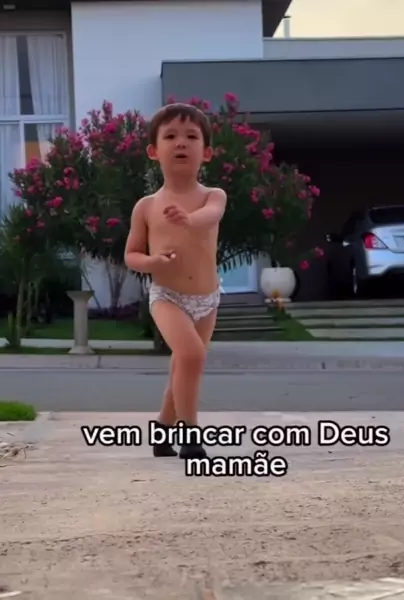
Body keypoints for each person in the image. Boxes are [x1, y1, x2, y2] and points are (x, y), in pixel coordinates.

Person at [124, 103, 227, 460]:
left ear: (207, 153)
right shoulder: (147, 206)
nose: (181, 142)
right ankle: (190, 436)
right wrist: (151, 262)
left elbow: (210, 217)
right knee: (191, 355)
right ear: (154, 151)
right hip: (167, 296)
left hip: (207, 299)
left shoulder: (213, 196)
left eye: (191, 137)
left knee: (182, 365)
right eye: (170, 136)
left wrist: (188, 219)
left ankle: (162, 432)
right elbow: (131, 254)